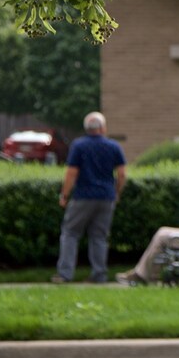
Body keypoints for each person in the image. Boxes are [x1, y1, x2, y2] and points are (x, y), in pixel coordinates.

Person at [53, 111, 126, 284]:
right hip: (106, 197)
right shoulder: (113, 146)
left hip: (83, 196)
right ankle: (99, 274)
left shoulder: (79, 145)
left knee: (70, 233)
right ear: (102, 127)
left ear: (87, 128)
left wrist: (64, 195)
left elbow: (72, 173)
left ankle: (65, 274)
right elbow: (122, 174)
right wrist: (116, 192)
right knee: (99, 236)